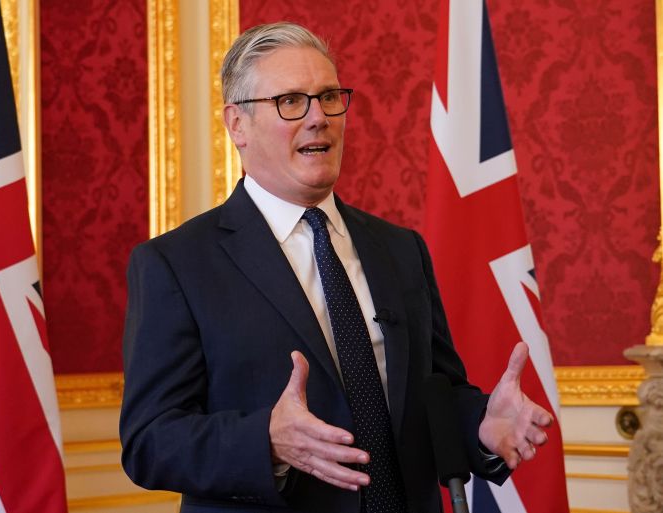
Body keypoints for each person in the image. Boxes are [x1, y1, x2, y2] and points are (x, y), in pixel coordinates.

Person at [120, 21, 553, 513]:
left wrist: (480, 424)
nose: (318, 118)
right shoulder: (176, 263)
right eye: (290, 101)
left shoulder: (400, 248)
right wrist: (266, 440)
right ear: (236, 124)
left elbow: (434, 395)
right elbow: (149, 442)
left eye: (329, 97)